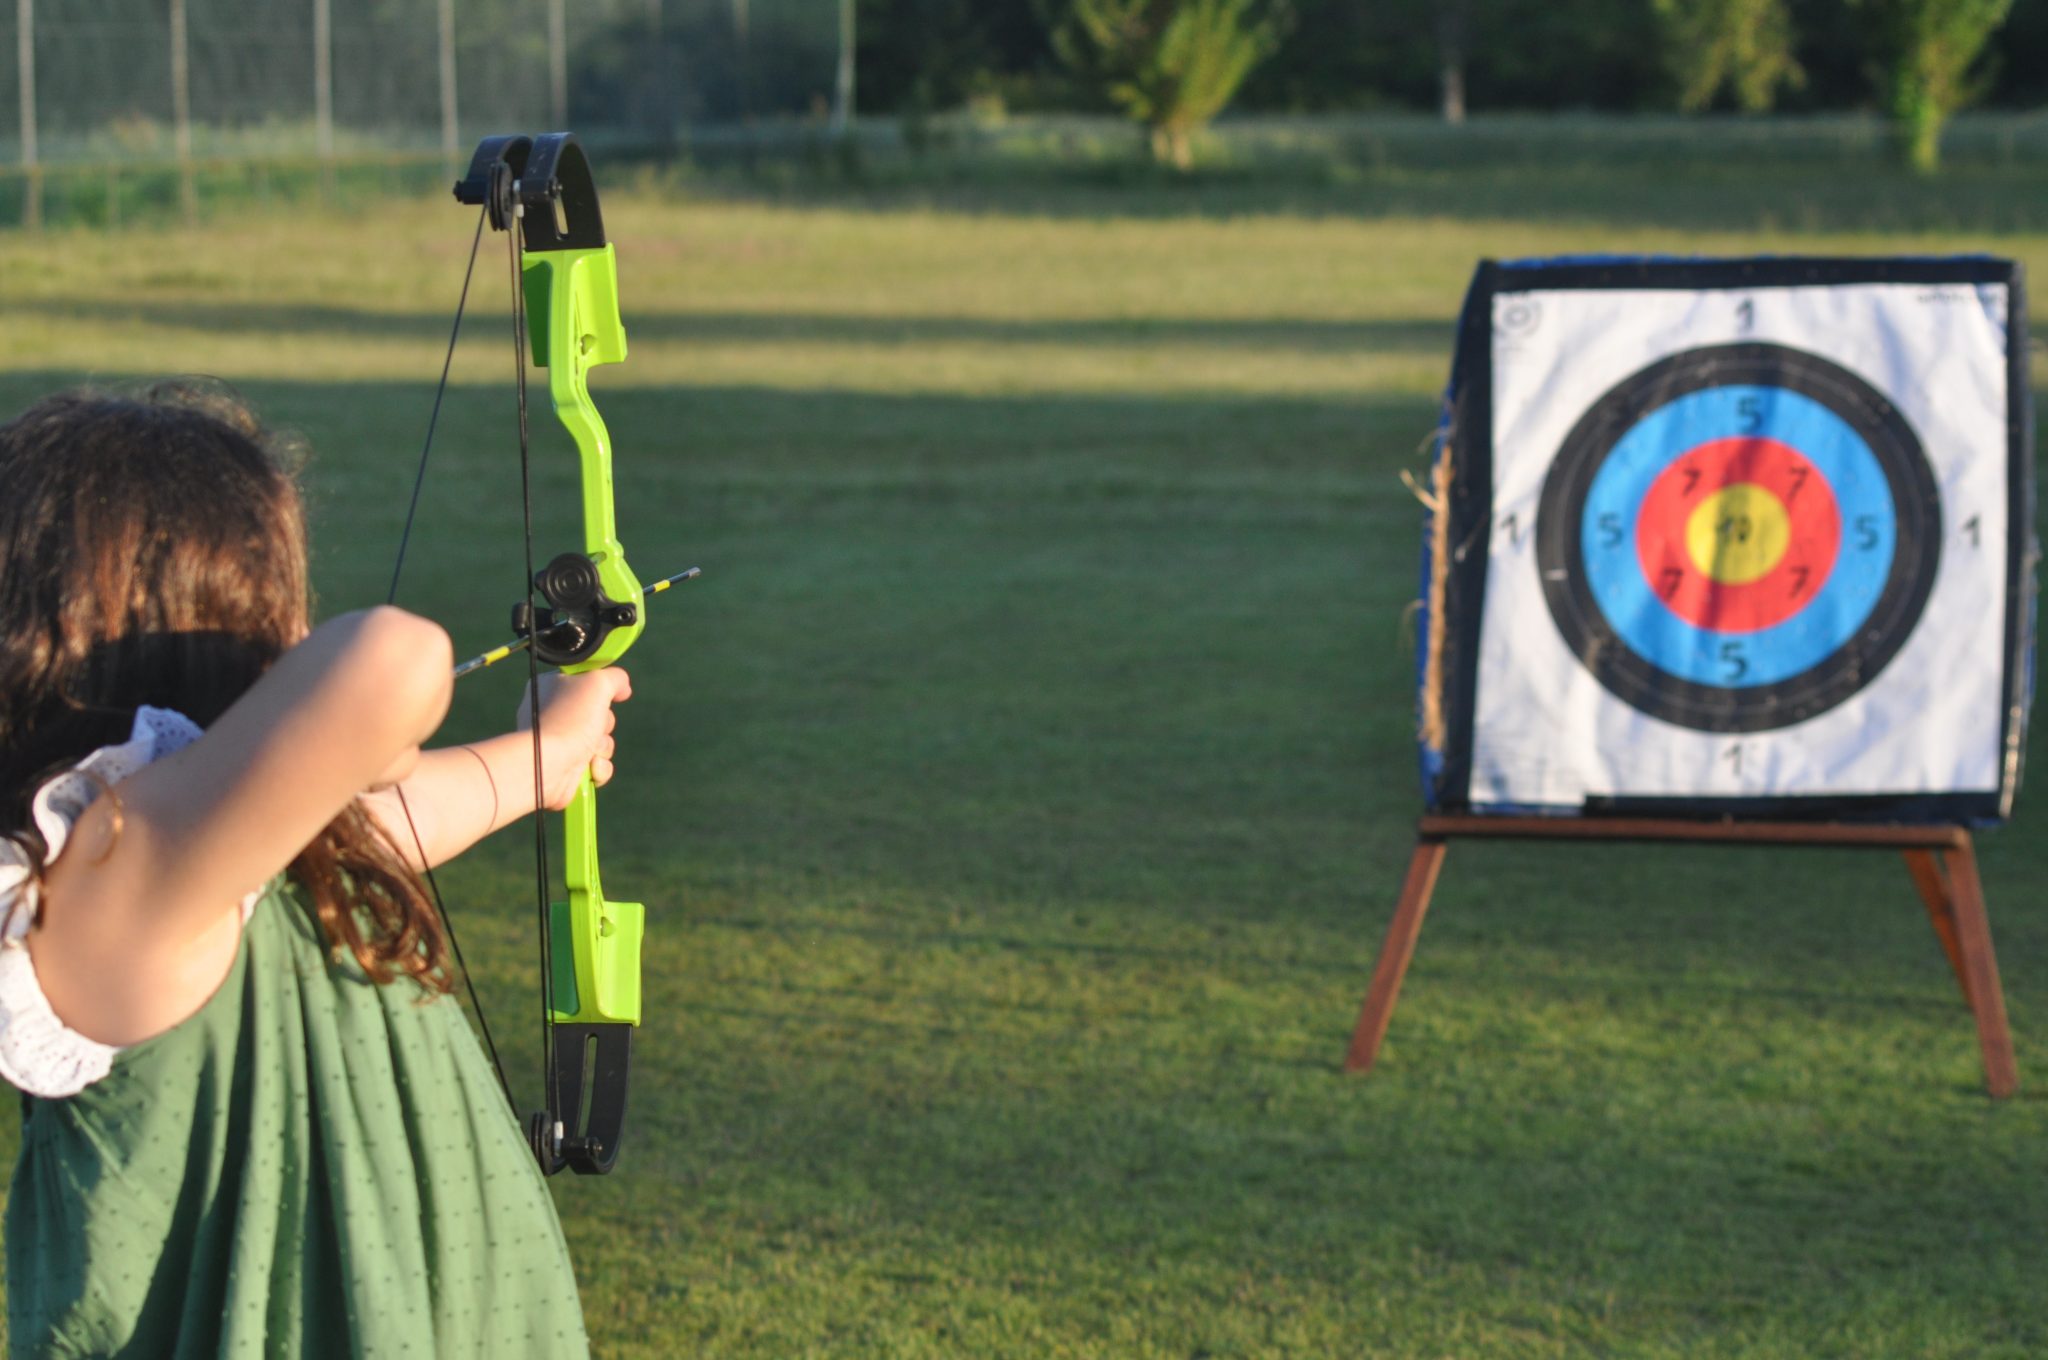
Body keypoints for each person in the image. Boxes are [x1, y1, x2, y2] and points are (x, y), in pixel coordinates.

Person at [0, 385, 629, 1356]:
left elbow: (395, 820)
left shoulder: (243, 854)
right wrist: (366, 739)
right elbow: (391, 661)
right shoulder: (106, 878)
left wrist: (546, 754)